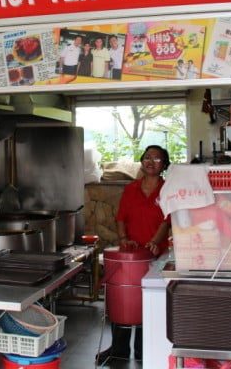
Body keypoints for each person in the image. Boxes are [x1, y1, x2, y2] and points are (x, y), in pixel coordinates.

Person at [96, 145, 171, 365]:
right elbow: (121, 217)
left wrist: (155, 242)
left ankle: (143, 350)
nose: (151, 161)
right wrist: (122, 239)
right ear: (142, 161)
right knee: (124, 300)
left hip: (155, 256)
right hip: (129, 256)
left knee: (146, 303)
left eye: (157, 159)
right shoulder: (131, 189)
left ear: (164, 165)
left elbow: (167, 221)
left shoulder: (167, 190)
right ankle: (118, 349)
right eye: (147, 157)